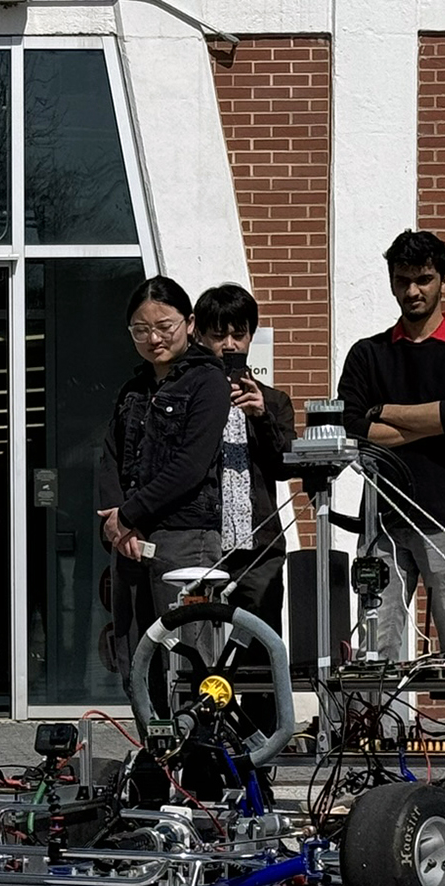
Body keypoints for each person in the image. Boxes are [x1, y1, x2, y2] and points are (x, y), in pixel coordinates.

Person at [336, 230, 445, 735]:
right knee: (376, 644)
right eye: (403, 280)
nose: (413, 291)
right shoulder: (368, 354)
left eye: (424, 280)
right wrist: (425, 421)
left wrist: (384, 414)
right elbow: (350, 426)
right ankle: (378, 750)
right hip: (380, 518)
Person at [98, 276, 232, 720]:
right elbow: (110, 459)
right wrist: (116, 525)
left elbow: (190, 466)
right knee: (135, 654)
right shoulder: (132, 389)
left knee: (189, 656)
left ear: (190, 323)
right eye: (140, 329)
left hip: (185, 537)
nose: (153, 338)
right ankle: (153, 755)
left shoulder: (208, 382)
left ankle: (197, 758)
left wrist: (130, 514)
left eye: (165, 326)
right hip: (130, 543)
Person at [192, 283, 296, 630]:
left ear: (251, 336)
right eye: (219, 335)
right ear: (200, 336)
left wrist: (261, 417)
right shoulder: (190, 396)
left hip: (259, 548)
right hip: (204, 542)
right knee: (201, 645)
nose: (230, 345)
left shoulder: (275, 401)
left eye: (239, 334)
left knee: (259, 646)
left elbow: (283, 467)